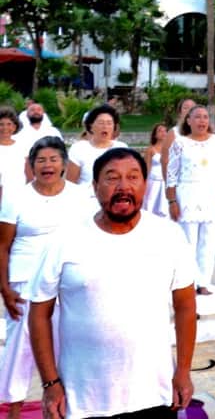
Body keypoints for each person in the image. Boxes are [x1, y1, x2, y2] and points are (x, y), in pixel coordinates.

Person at [28, 147, 197, 419]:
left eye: (133, 177)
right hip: (82, 399)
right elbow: (38, 314)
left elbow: (186, 307)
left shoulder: (169, 236)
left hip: (153, 394)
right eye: (111, 178)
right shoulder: (64, 240)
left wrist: (184, 372)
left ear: (145, 184)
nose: (123, 187)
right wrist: (50, 383)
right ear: (94, 186)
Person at [0, 138, 90, 418]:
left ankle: (65, 409)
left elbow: (93, 239)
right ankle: (11, 412)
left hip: (68, 284)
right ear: (31, 165)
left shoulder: (80, 196)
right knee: (19, 352)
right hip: (25, 283)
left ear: (64, 163)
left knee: (69, 349)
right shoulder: (16, 197)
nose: (47, 165)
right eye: (41, 160)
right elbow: (2, 245)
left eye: (53, 159)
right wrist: (4, 287)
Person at [166, 104, 215, 296]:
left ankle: (204, 282)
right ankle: (188, 282)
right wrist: (172, 201)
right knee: (188, 242)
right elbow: (171, 174)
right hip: (187, 195)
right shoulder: (180, 143)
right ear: (189, 121)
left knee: (209, 242)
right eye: (197, 117)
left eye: (205, 117)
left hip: (211, 194)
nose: (202, 121)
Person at [66, 105, 121, 191]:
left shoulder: (121, 148)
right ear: (91, 126)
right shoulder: (79, 149)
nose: (105, 127)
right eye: (101, 123)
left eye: (109, 123)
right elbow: (70, 184)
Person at [142, 123, 170, 218]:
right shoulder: (150, 150)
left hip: (166, 182)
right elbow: (146, 169)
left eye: (165, 131)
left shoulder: (171, 149)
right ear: (155, 134)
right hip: (153, 182)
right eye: (160, 131)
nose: (163, 133)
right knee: (151, 207)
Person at [0, 109, 23, 213]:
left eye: (9, 124)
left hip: (19, 195)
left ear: (15, 127)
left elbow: (29, 173)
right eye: (1, 124)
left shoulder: (23, 146)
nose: (5, 128)